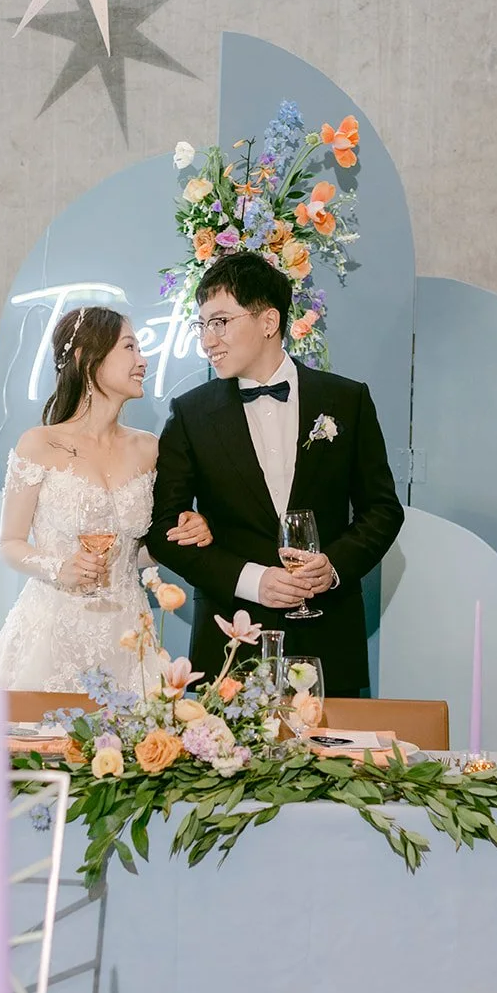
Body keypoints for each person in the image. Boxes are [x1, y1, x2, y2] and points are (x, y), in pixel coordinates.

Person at [147, 252, 404, 696]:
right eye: (202, 325)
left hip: (328, 639)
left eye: (220, 322)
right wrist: (253, 580)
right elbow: (162, 530)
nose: (208, 340)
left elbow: (382, 510)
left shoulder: (347, 400)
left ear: (269, 321)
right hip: (231, 643)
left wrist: (335, 567)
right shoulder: (191, 414)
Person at [0, 306, 210, 693]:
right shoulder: (39, 444)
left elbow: (140, 550)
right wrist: (59, 567)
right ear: (86, 358)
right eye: (130, 348)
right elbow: (9, 544)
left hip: (127, 633)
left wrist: (189, 529)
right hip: (53, 631)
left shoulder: (150, 449)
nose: (143, 360)